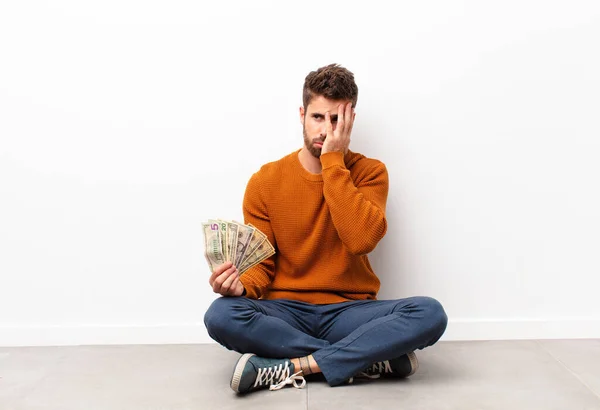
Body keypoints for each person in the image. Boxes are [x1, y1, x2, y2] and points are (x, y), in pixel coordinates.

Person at [204, 63, 448, 394]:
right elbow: (262, 268)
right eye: (318, 117)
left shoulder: (370, 173)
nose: (326, 130)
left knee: (429, 313)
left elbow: (360, 239)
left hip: (350, 311)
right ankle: (364, 356)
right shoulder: (265, 181)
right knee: (220, 315)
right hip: (286, 311)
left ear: (350, 122)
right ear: (302, 114)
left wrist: (333, 161)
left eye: (336, 120)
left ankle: (291, 367)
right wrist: (239, 288)